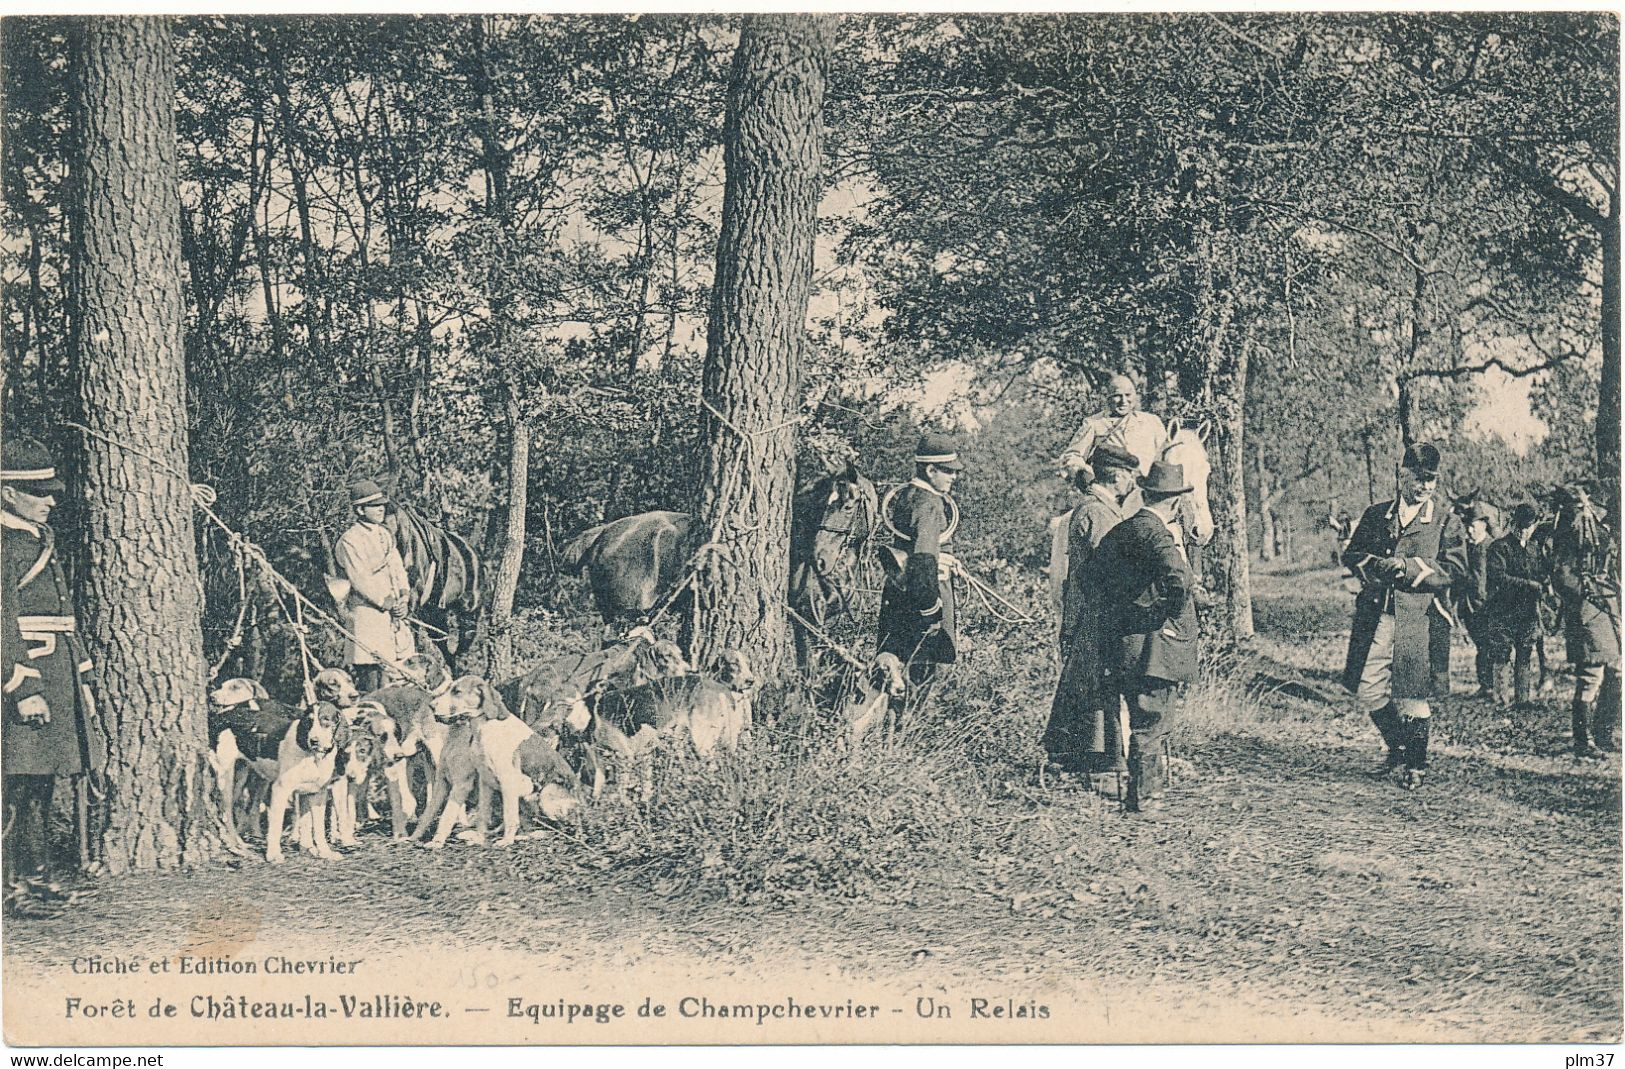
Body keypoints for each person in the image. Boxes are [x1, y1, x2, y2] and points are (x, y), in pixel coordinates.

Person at [2, 436, 107, 900]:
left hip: (56, 672)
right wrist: (21, 685)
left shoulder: (35, 536)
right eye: (38, 492)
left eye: (51, 492)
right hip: (25, 676)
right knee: (16, 782)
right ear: (9, 492)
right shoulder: (5, 542)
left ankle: (36, 876)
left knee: (39, 782)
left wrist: (81, 675)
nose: (49, 501)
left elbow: (62, 616)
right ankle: (11, 886)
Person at [1340, 442, 1467, 789]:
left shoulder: (1446, 521)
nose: (1425, 486)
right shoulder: (1376, 514)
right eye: (1419, 478)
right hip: (1378, 614)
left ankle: (1416, 764)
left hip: (1420, 617)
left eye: (1431, 479)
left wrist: (1408, 567)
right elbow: (1352, 554)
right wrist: (1377, 566)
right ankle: (1398, 747)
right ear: (1402, 475)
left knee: (1412, 693)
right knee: (1367, 687)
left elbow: (1456, 569)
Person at [1088, 459, 1200, 814]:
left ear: (1147, 494)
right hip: (1155, 646)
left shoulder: (1119, 531)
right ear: (1175, 501)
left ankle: (1138, 793)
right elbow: (1178, 581)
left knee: (1136, 718)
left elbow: (1091, 578)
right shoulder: (1157, 533)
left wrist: (1121, 614)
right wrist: (1158, 613)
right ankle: (1145, 797)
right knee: (1152, 722)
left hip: (1121, 644)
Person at [1042, 445, 1139, 785]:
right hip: (1096, 613)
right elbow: (1111, 566)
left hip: (1090, 611)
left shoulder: (1097, 508)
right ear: (1118, 476)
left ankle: (1081, 760)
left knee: (1087, 683)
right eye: (1130, 475)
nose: (1133, 482)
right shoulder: (1098, 513)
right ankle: (1097, 763)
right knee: (1094, 684)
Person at [877, 432, 964, 689]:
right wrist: (931, 609)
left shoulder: (908, 495)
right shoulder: (929, 504)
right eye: (947, 471)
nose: (953, 476)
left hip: (899, 594)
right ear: (930, 470)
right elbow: (925, 559)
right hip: (923, 599)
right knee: (921, 677)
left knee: (894, 670)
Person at [1549, 482, 1619, 757]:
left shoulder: (1596, 529)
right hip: (1587, 609)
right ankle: (1583, 741)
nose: (1588, 509)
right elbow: (1561, 575)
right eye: (1580, 505)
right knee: (1591, 673)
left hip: (1607, 605)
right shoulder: (1568, 533)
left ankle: (1603, 734)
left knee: (1617, 671)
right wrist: (1585, 592)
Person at [333, 478, 414, 694]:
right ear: (360, 510)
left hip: (392, 615)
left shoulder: (385, 535)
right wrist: (386, 602)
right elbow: (360, 579)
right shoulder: (350, 540)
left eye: (382, 505)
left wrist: (404, 597)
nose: (381, 509)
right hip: (367, 615)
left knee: (395, 673)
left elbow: (398, 569)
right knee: (371, 675)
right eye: (374, 506)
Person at [1483, 502, 1548, 710]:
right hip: (1502, 609)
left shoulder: (1534, 549)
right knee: (1501, 654)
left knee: (1525, 652)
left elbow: (1541, 573)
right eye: (1521, 526)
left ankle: (1523, 700)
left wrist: (1544, 583)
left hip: (1528, 611)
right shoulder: (1499, 547)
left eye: (1528, 526)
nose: (1524, 531)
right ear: (1513, 524)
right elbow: (1498, 577)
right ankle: (1501, 700)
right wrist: (1530, 585)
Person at [1057, 373, 1168, 485]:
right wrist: (1088, 474)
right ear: (1108, 397)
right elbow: (1071, 457)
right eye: (1117, 395)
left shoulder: (1152, 422)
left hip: (1148, 488)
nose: (1123, 400)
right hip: (1110, 490)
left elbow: (1166, 455)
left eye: (1128, 395)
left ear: (1135, 396)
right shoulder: (1095, 423)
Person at [1457, 501, 1496, 699]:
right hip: (1471, 605)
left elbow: (1489, 580)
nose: (1469, 530)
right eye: (1467, 527)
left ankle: (1492, 685)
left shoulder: (1491, 547)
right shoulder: (1469, 547)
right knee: (1482, 645)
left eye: (1473, 526)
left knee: (1488, 645)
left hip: (1487, 605)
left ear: (1483, 524)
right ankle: (1485, 685)